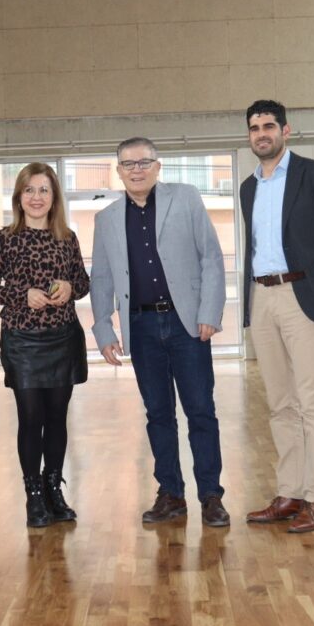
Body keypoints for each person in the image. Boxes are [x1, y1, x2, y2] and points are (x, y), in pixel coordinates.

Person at [89, 137, 231, 527]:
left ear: (158, 166)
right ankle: (171, 493)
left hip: (188, 325)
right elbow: (101, 277)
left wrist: (209, 311)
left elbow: (211, 257)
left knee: (200, 411)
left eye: (144, 162)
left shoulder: (185, 198)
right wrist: (103, 329)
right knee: (158, 414)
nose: (136, 170)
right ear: (118, 171)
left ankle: (211, 495)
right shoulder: (106, 219)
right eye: (128, 164)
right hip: (141, 327)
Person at [240, 99, 314, 534]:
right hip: (262, 298)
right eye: (254, 128)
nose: (262, 134)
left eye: (269, 126)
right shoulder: (249, 187)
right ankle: (290, 494)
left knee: (311, 401)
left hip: (301, 294)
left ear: (286, 130)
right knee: (279, 403)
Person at [0, 163, 90, 528]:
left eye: (44, 190)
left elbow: (83, 283)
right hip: (22, 341)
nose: (36, 197)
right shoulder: (4, 238)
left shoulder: (67, 238)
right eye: (29, 190)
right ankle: (34, 495)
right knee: (31, 418)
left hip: (63, 337)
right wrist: (20, 294)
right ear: (19, 197)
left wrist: (71, 287)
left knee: (57, 418)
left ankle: (54, 488)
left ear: (54, 197)